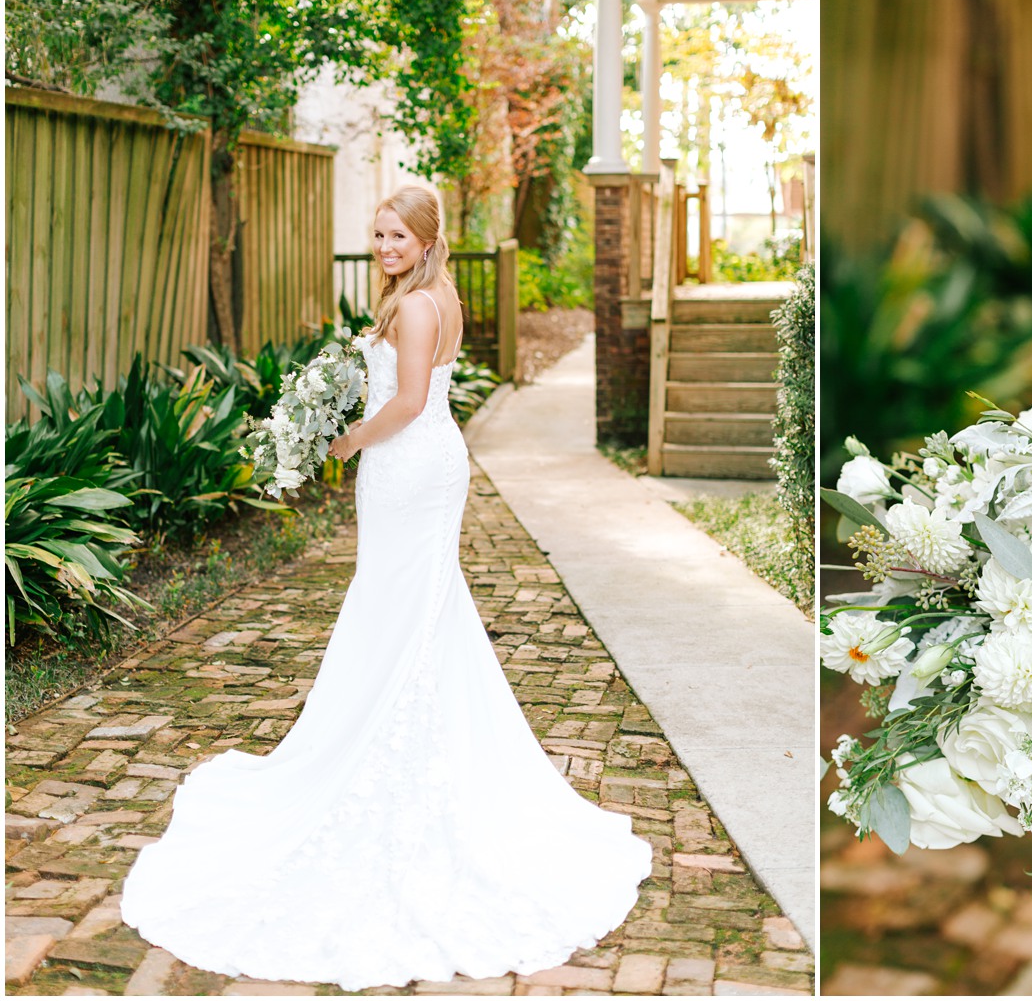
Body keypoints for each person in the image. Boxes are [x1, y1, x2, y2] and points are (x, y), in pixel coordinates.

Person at [120, 186, 652, 991]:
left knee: (402, 605)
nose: (382, 244)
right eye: (376, 233)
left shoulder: (413, 310)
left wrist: (345, 440)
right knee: (414, 606)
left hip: (408, 464)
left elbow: (405, 401)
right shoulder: (435, 297)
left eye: (396, 233)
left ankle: (394, 733)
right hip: (424, 465)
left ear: (426, 237)